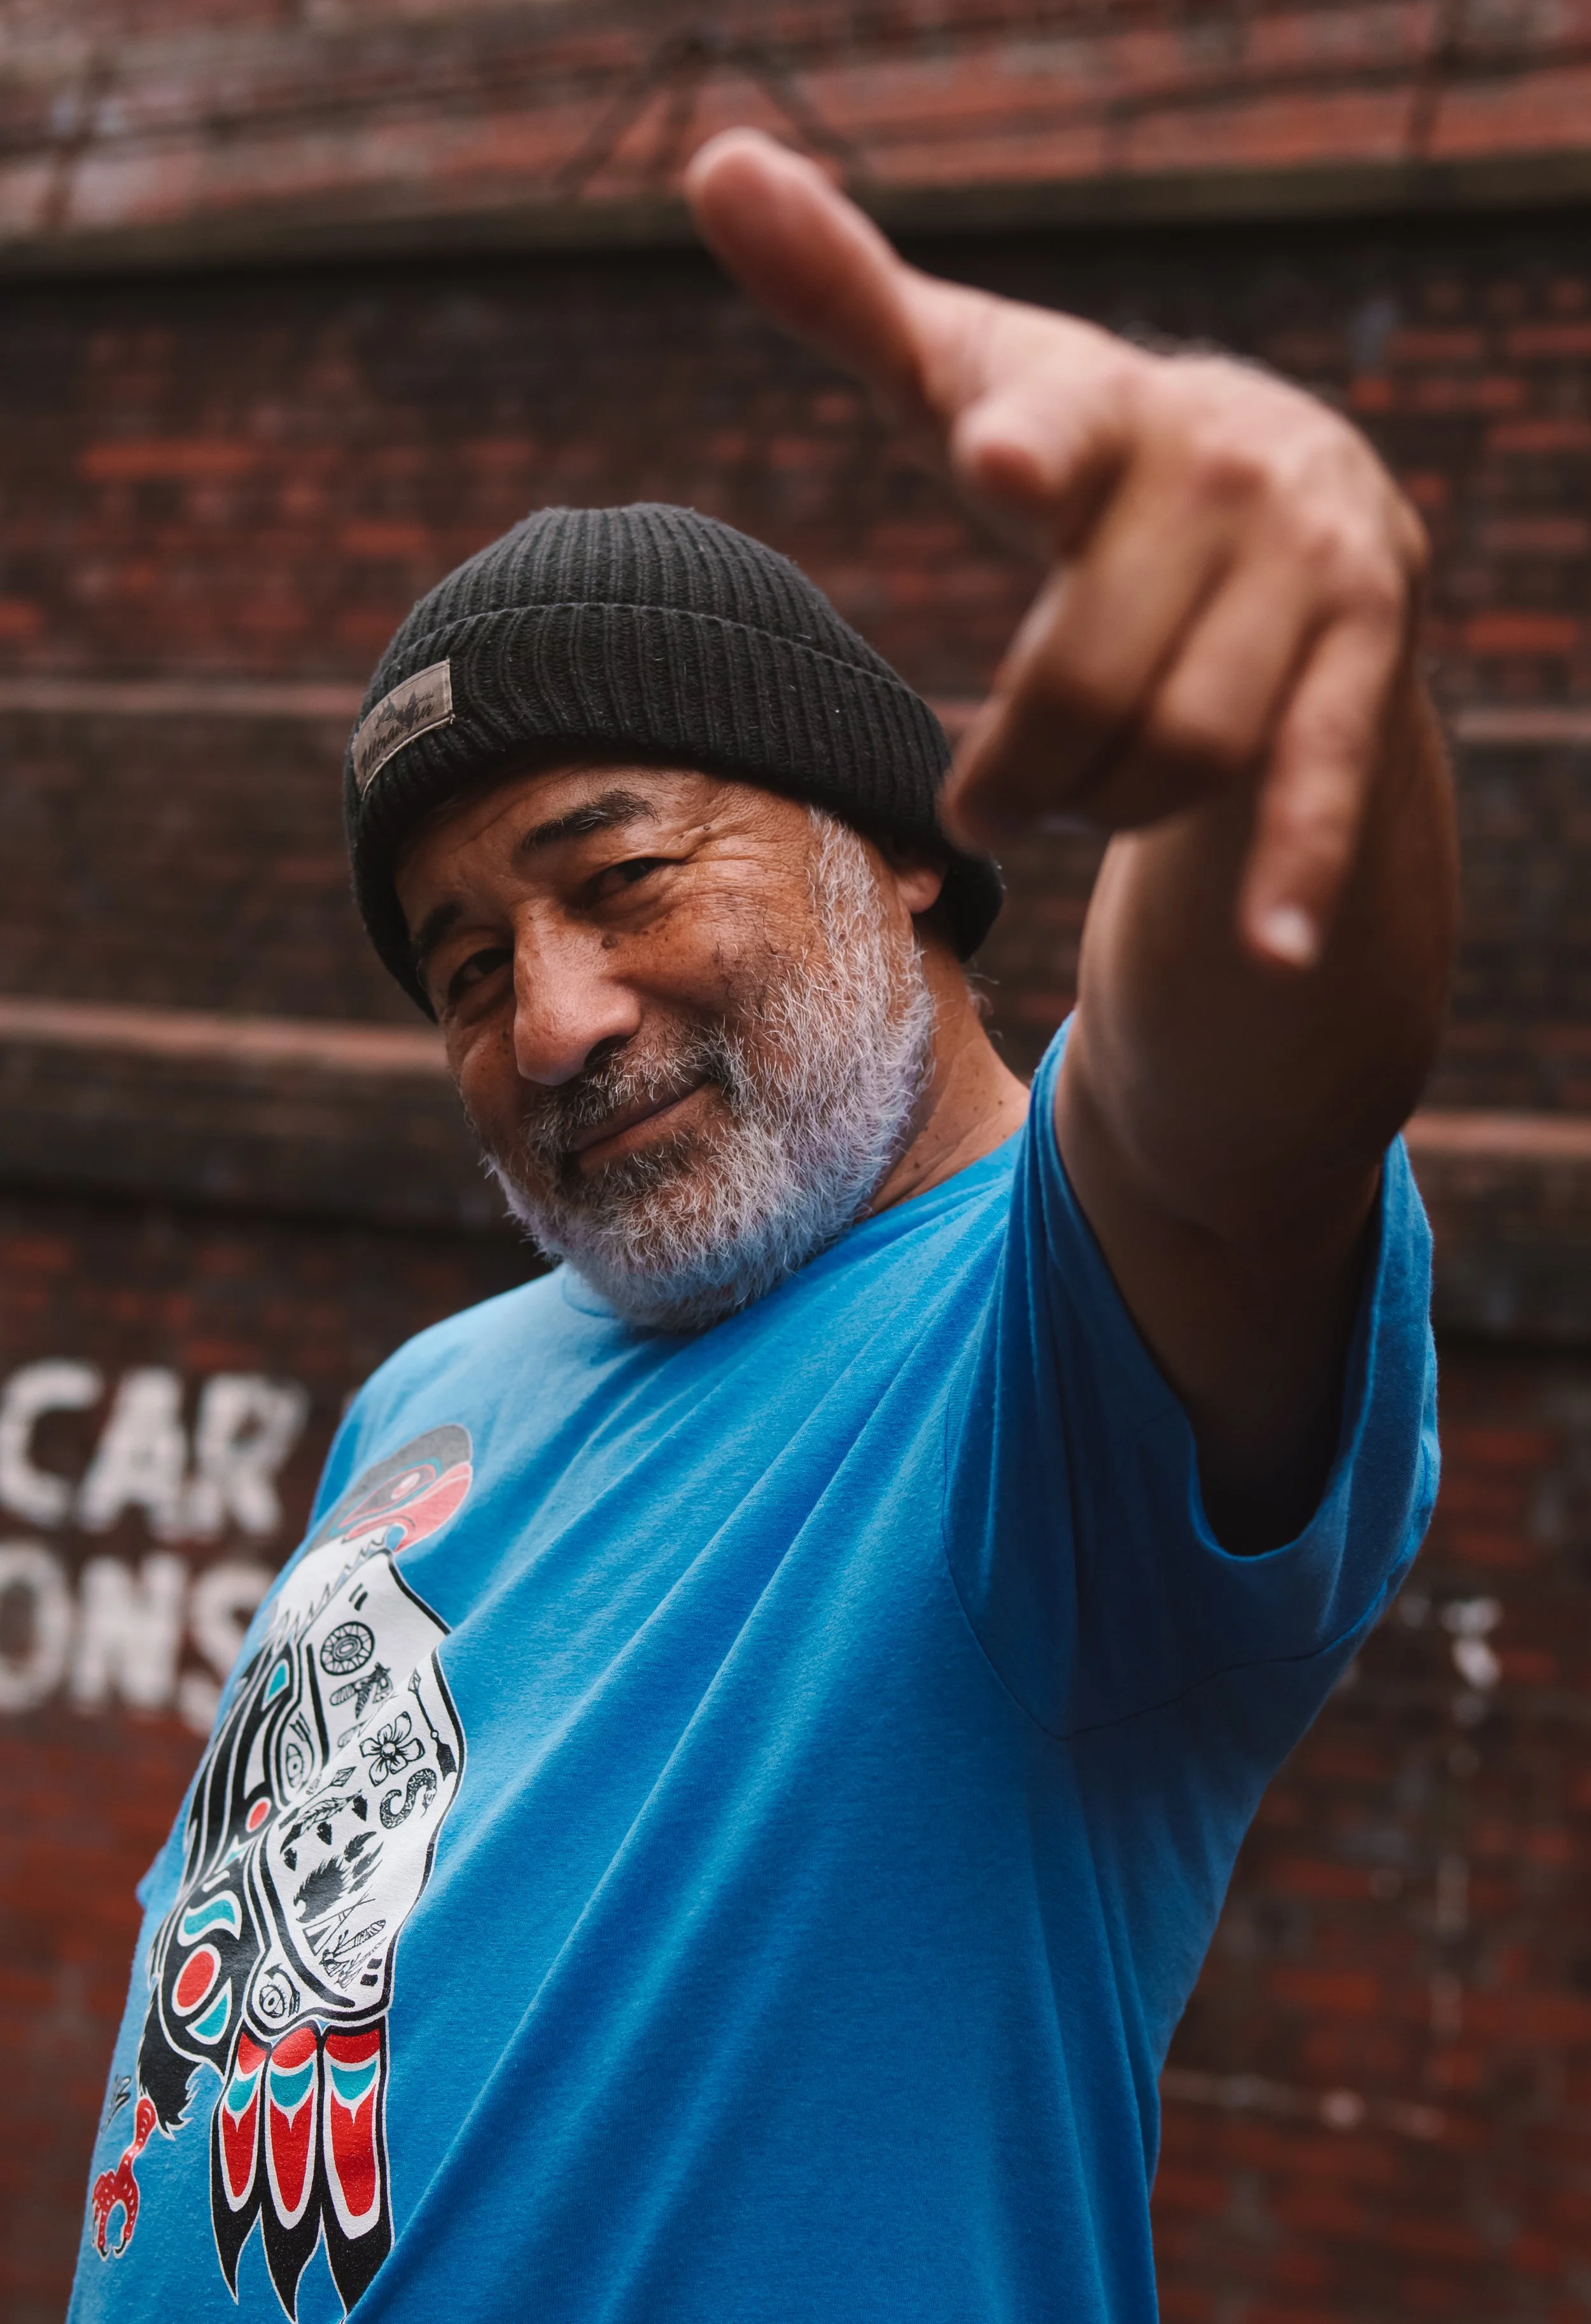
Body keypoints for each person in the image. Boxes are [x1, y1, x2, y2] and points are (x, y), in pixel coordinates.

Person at [71, 131, 1455, 2324]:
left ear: (897, 855)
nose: (547, 1018)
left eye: (622, 880)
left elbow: (1238, 1111)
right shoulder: (439, 1384)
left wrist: (1307, 695)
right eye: (457, 966)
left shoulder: (1035, 1360)